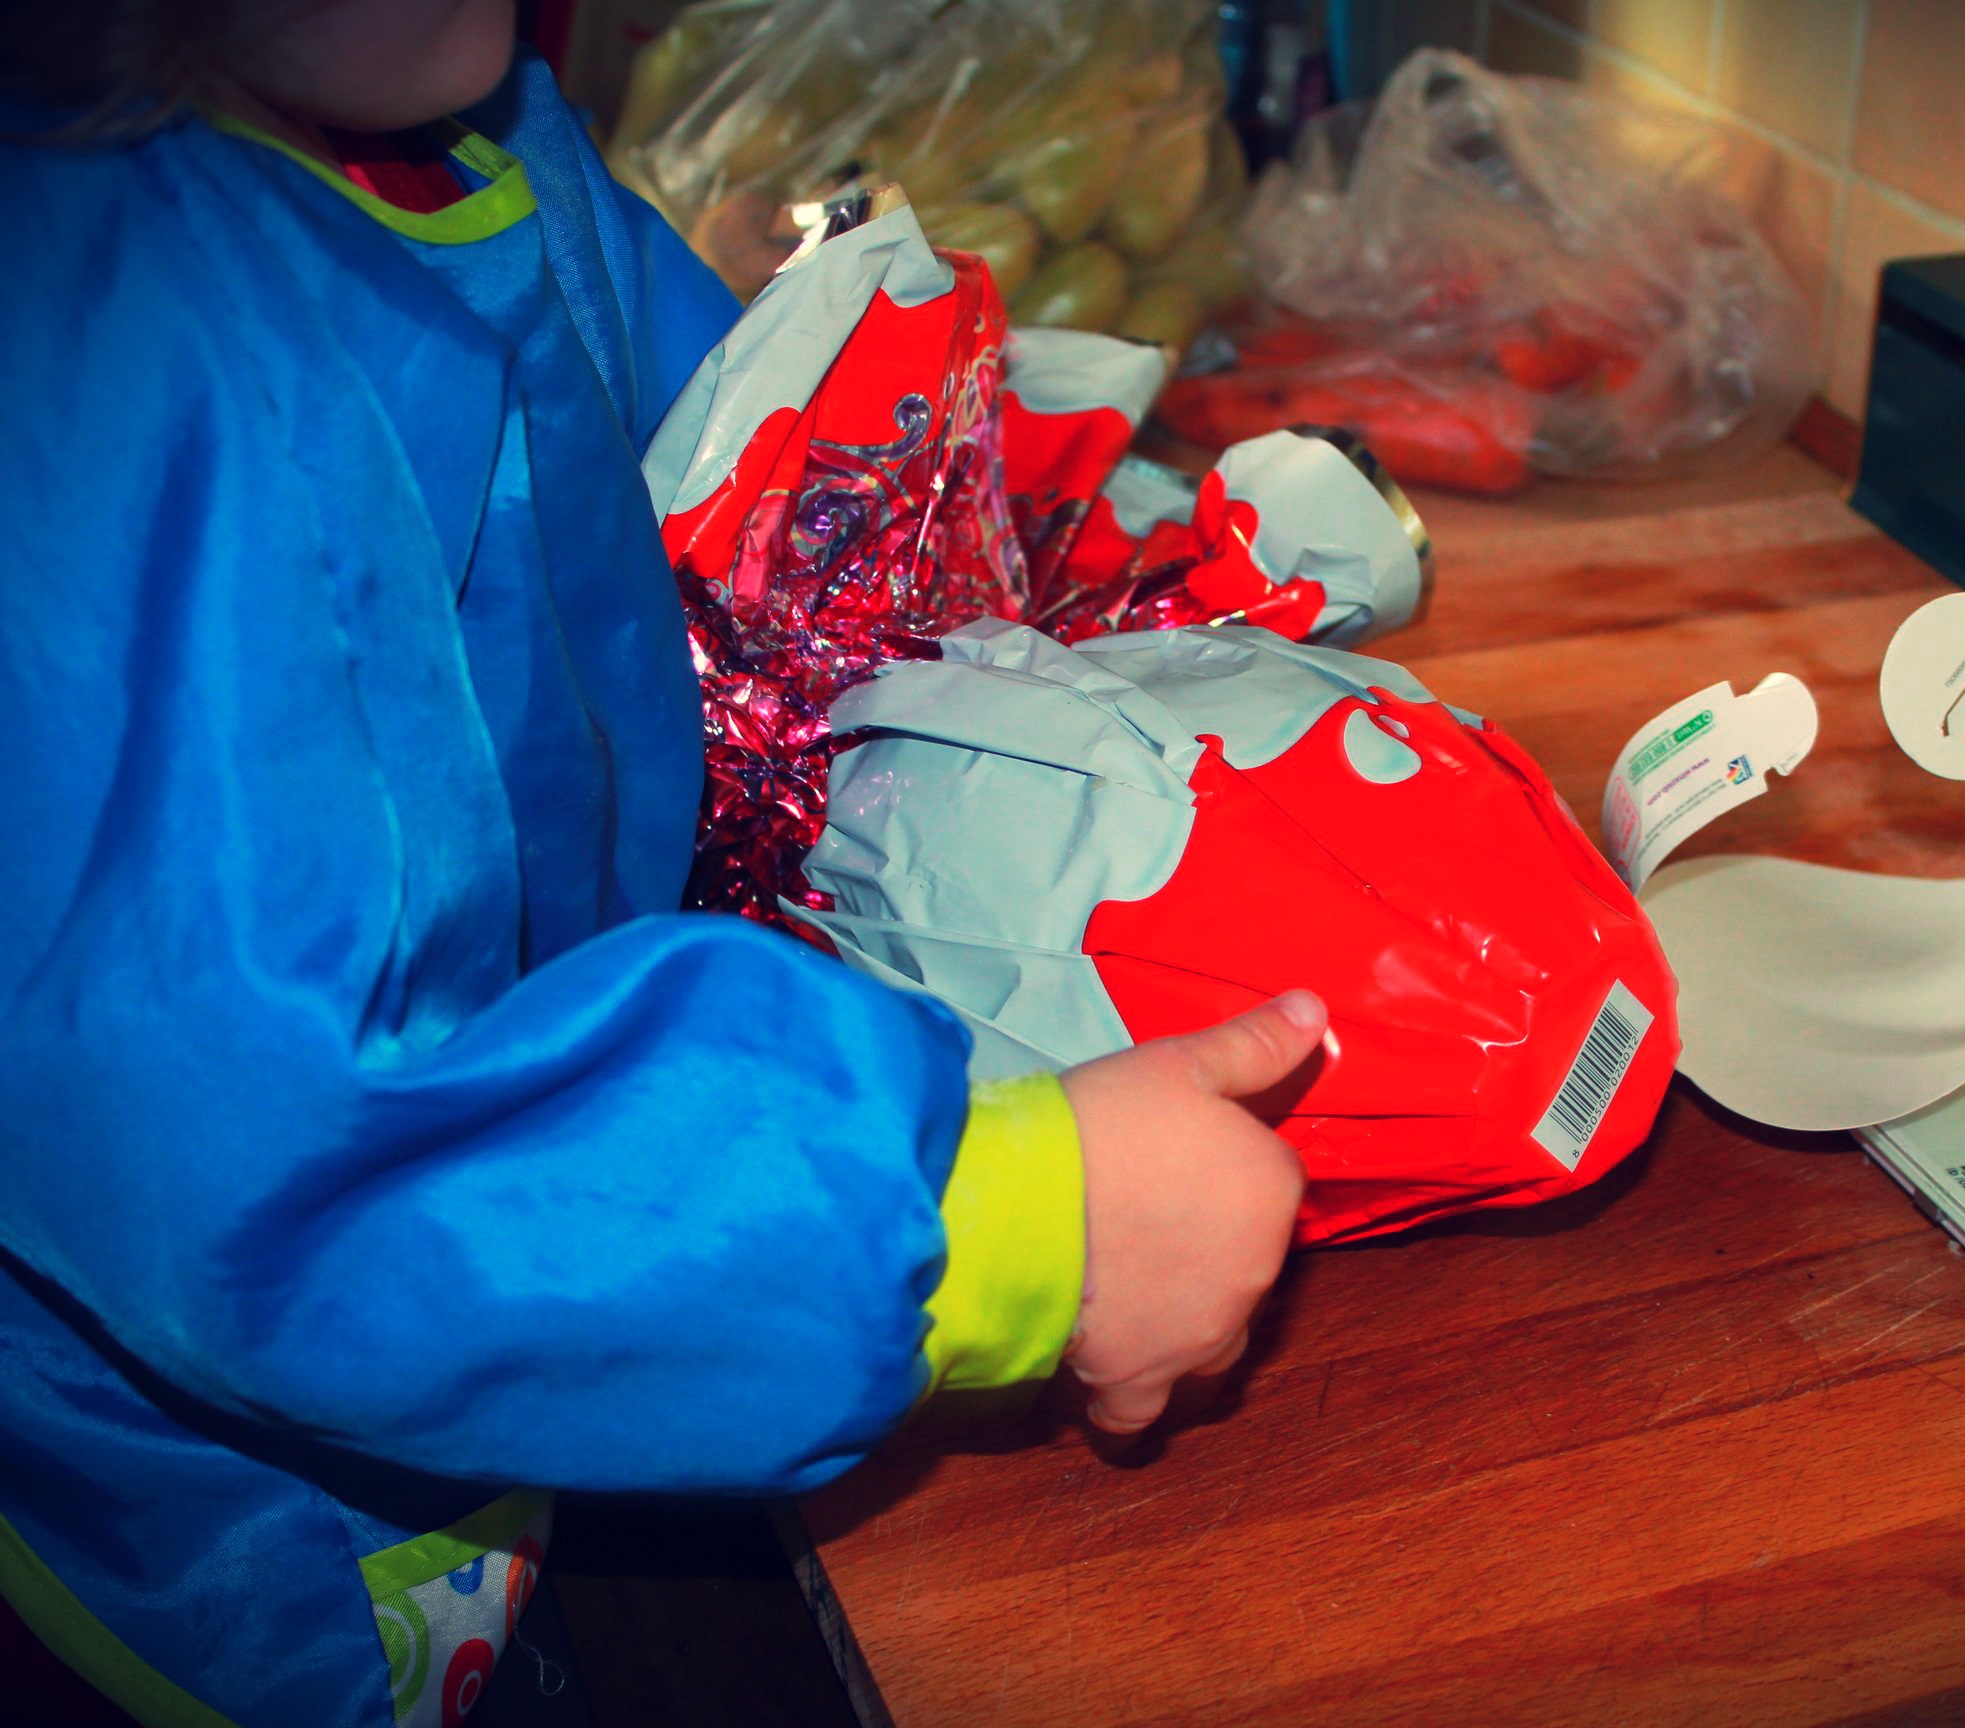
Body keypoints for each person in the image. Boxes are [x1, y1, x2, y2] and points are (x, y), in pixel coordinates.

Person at [0, 4, 1325, 1723]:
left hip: (512, 1364)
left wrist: (1104, 577)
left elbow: (757, 460)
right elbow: (280, 1158)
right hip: (175, 1556)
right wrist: (999, 1219)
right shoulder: (99, 341)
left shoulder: (477, 133)